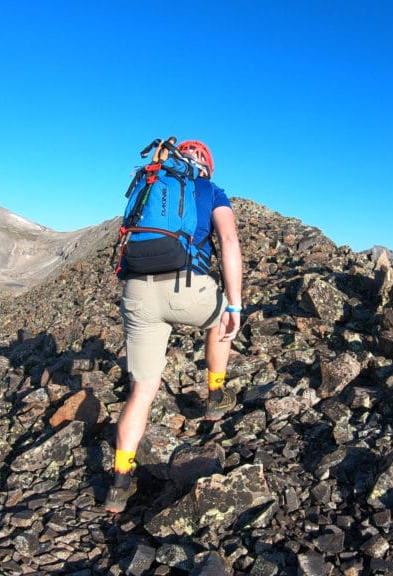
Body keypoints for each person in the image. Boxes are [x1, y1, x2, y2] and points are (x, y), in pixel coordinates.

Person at [104, 140, 243, 514]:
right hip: (186, 287)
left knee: (142, 390)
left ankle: (119, 483)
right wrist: (235, 303)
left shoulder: (152, 182)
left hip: (137, 291)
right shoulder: (211, 190)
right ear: (207, 167)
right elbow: (228, 240)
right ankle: (215, 396)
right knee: (221, 319)